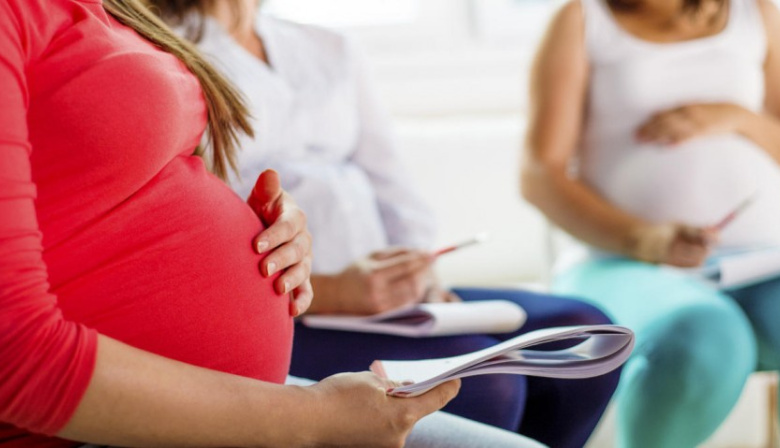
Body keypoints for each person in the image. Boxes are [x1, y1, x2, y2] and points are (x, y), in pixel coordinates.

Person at [0, 0, 548, 447]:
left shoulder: (114, 10)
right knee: (495, 390)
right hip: (96, 423)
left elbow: (112, 198)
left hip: (242, 389)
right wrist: (312, 419)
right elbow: (16, 358)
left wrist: (279, 238)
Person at [148, 1, 623, 447]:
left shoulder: (326, 46)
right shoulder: (161, 54)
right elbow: (189, 239)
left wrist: (418, 270)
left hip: (387, 300)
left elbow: (390, 179)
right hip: (288, 312)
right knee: (487, 386)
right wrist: (336, 291)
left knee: (582, 334)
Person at [522, 0, 780, 444]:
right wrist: (642, 239)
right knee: (703, 338)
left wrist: (736, 117)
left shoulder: (758, 11)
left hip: (758, 262)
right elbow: (540, 174)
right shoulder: (582, 20)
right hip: (620, 263)